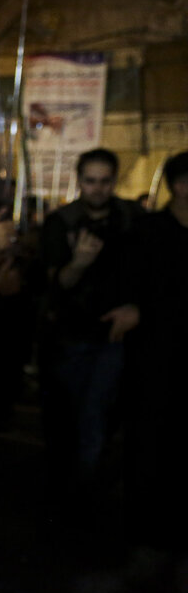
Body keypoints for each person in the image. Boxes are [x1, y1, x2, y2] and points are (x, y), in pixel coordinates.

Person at [40, 148, 140, 507]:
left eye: (105, 181)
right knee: (70, 418)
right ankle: (71, 493)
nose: (97, 189)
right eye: (90, 181)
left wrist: (136, 308)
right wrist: (79, 263)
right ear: (79, 181)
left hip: (114, 334)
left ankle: (82, 492)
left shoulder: (131, 217)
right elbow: (56, 284)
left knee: (97, 414)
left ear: (114, 180)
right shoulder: (62, 222)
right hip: (72, 333)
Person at [126, 150, 188, 551]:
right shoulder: (148, 231)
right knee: (156, 440)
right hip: (158, 356)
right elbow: (132, 286)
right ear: (181, 186)